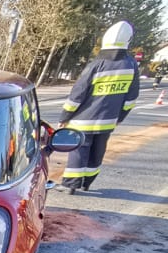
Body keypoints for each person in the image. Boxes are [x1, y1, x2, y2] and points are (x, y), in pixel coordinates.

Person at [58, 21, 139, 194]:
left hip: (83, 120)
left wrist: (65, 116)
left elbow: (78, 93)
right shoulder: (131, 65)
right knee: (97, 152)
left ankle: (71, 185)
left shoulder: (97, 64)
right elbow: (131, 97)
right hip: (108, 120)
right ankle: (87, 183)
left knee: (79, 151)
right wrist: (120, 117)